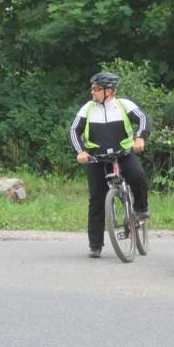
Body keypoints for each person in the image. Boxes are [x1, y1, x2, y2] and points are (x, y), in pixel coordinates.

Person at [70, 71, 151, 258]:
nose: (93, 92)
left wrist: (140, 138)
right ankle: (95, 245)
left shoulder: (123, 105)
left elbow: (144, 119)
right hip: (96, 158)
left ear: (110, 91)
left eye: (96, 89)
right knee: (97, 198)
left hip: (123, 154)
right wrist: (81, 151)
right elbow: (74, 130)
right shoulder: (88, 108)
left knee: (137, 176)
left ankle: (140, 209)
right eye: (92, 88)